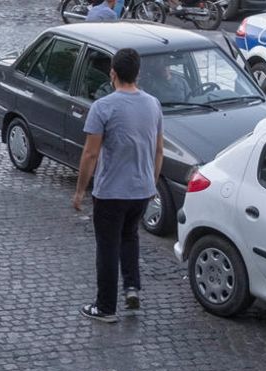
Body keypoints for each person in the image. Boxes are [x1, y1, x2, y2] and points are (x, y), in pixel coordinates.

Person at [72, 47, 163, 323]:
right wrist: (152, 183)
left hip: (111, 192)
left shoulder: (103, 107)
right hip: (141, 189)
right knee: (129, 238)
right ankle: (132, 289)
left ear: (112, 73)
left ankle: (106, 307)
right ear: (138, 74)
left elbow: (90, 153)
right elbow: (159, 151)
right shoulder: (153, 104)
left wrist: (79, 191)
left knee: (108, 246)